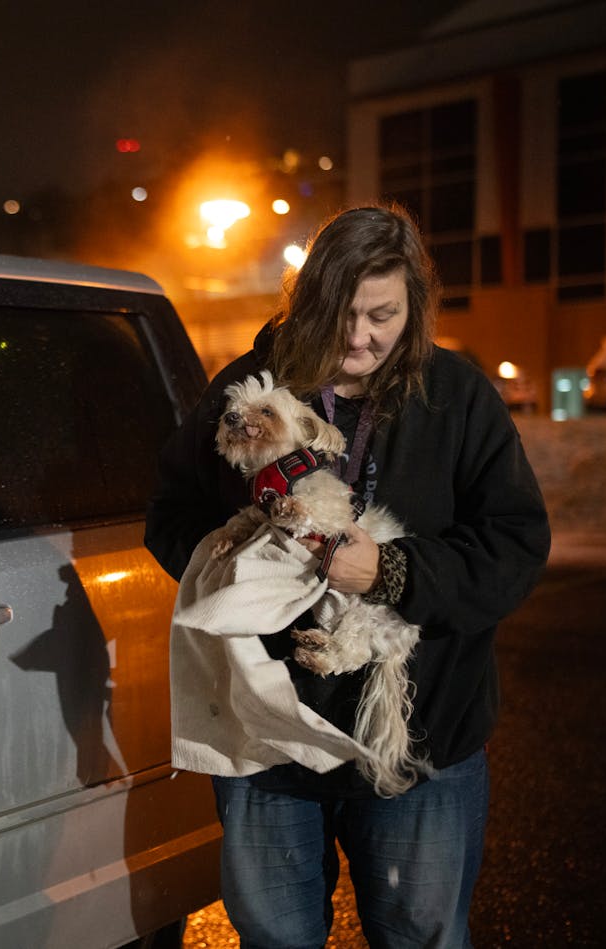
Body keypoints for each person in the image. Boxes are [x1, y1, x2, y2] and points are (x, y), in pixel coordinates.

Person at [146, 204, 550, 948]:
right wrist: (237, 566)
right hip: (268, 740)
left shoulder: (455, 396)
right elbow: (170, 514)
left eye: (382, 314)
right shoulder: (247, 388)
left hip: (421, 743)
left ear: (413, 306)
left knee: (420, 937)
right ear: (308, 302)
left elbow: (514, 547)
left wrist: (391, 569)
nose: (360, 336)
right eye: (341, 313)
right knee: (274, 938)